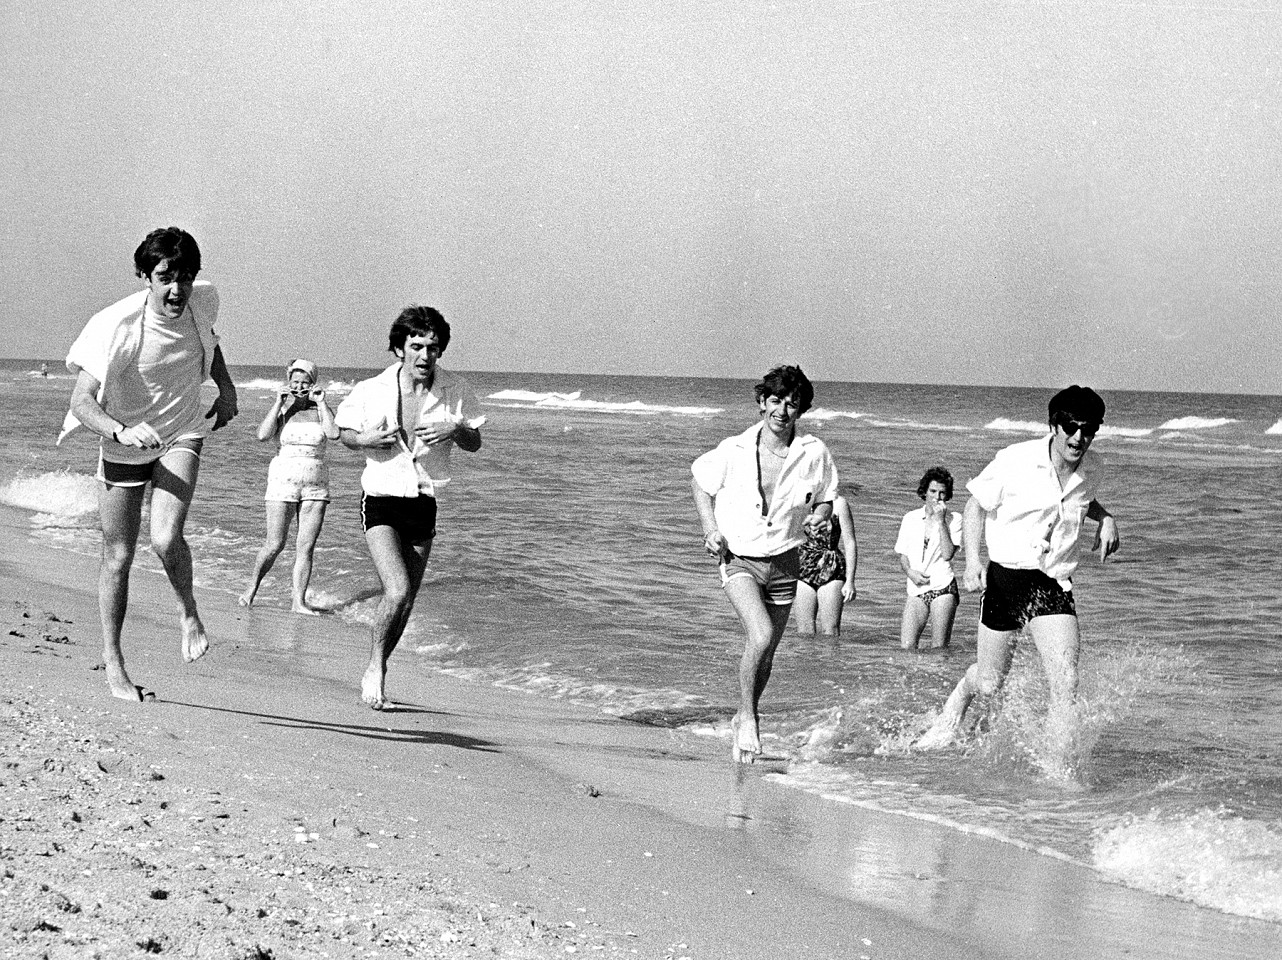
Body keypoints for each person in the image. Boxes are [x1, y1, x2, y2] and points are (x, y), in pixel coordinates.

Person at [59, 227, 239, 701]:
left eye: (185, 276)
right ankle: (114, 661)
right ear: (145, 276)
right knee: (118, 556)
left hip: (182, 429)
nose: (176, 289)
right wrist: (121, 430)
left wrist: (228, 389)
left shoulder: (204, 302)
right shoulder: (115, 327)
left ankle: (188, 611)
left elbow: (210, 344)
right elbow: (81, 401)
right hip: (124, 442)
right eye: (164, 277)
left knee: (164, 537)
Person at [915, 386, 1120, 750]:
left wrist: (1105, 518)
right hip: (1006, 579)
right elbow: (977, 505)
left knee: (1066, 680)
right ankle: (958, 702)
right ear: (1053, 426)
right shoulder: (1016, 459)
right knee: (990, 682)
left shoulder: (1094, 467)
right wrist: (974, 561)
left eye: (1087, 430)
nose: (1078, 438)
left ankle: (1058, 765)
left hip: (1053, 582)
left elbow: (1079, 500)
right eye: (1070, 427)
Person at [335, 306, 483, 710]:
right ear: (399, 348)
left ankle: (378, 662)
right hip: (381, 496)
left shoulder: (454, 390)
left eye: (433, 348)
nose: (425, 356)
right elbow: (344, 434)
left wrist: (458, 428)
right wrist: (365, 440)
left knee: (406, 600)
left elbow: (474, 443)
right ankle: (375, 669)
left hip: (424, 498)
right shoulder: (372, 389)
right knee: (396, 589)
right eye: (416, 346)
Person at [692, 365, 838, 763]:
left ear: (801, 410)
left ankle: (742, 714)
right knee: (759, 637)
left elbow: (826, 496)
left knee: (769, 651)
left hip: (787, 561)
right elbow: (700, 482)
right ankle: (751, 718)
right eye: (775, 401)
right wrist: (710, 530)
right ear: (761, 403)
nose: (782, 411)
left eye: (792, 404)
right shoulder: (734, 449)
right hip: (739, 557)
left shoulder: (814, 453)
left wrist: (820, 515)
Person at [238, 360, 339, 614]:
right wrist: (277, 403)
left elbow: (334, 433)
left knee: (305, 547)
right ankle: (251, 588)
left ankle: (298, 601)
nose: (299, 387)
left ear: (313, 384)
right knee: (275, 543)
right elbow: (262, 435)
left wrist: (322, 402)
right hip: (283, 480)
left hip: (316, 484)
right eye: (295, 382)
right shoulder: (283, 410)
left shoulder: (320, 409)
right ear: (288, 383)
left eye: (305, 382)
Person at [895, 467, 963, 650]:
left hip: (943, 586)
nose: (937, 497)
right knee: (907, 647)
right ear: (924, 492)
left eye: (942, 493)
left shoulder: (954, 519)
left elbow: (948, 553)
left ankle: (938, 677)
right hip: (916, 587)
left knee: (939, 647)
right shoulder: (910, 518)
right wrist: (910, 573)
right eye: (933, 491)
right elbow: (903, 555)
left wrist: (941, 522)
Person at [793, 492, 858, 636]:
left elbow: (850, 542)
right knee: (804, 631)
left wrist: (850, 581)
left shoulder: (839, 503)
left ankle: (831, 658)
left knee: (831, 629)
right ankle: (808, 659)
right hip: (801, 567)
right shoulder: (799, 500)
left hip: (831, 567)